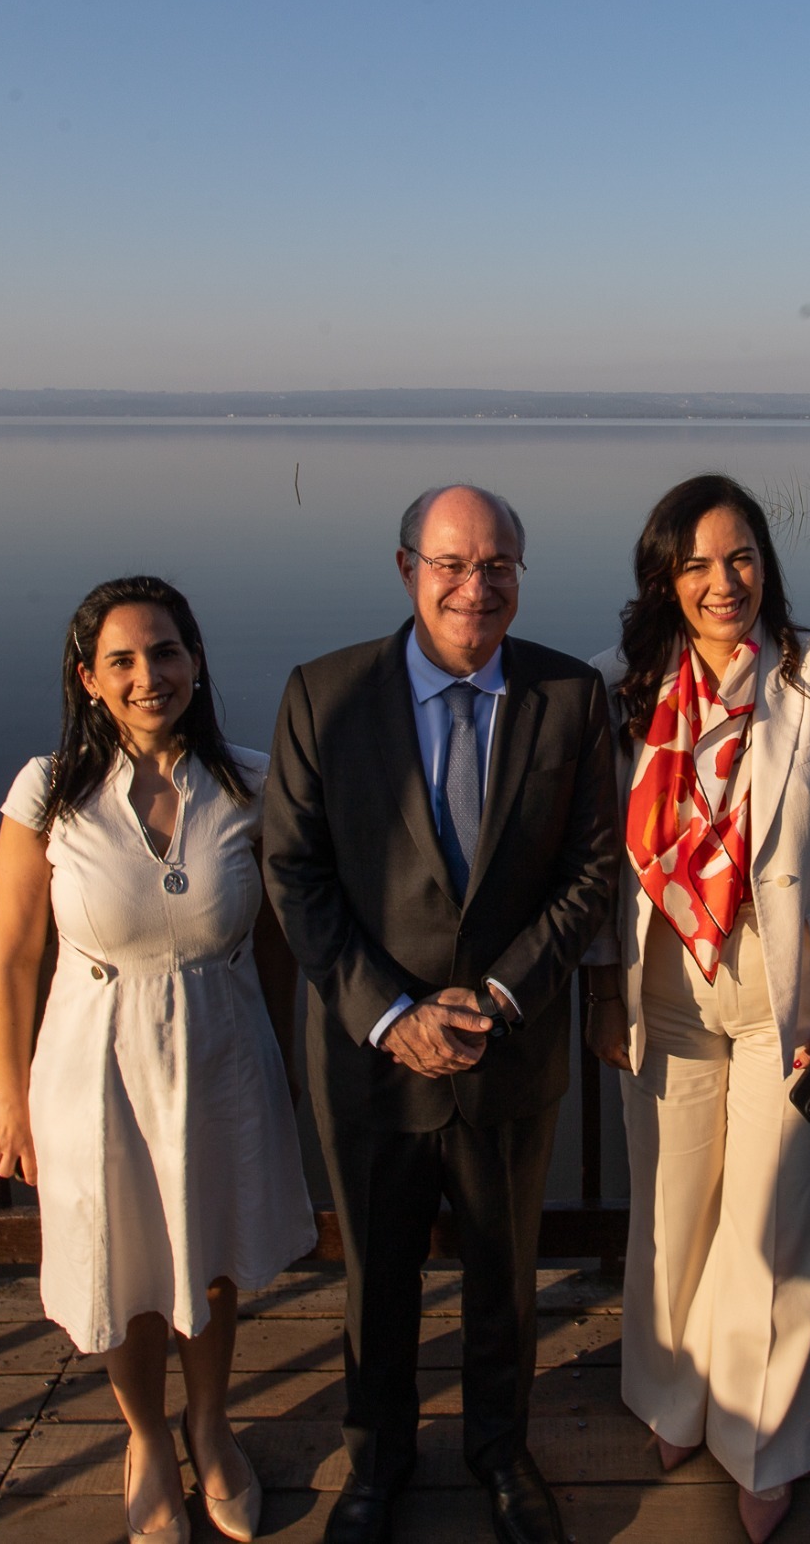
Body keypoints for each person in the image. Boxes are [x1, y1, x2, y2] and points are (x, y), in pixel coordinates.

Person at [263, 485, 620, 1544]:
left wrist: (505, 991)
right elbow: (294, 873)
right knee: (377, 1270)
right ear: (407, 566)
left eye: (499, 562)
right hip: (370, 1054)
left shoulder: (567, 693)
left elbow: (593, 868)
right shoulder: (325, 693)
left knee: (504, 1270)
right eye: (453, 562)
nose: (478, 584)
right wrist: (389, 1014)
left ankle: (499, 1450)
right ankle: (378, 1458)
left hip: (508, 1045)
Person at [581, 475, 810, 1543]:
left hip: (785, 1000)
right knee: (671, 1212)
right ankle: (671, 1395)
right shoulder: (621, 693)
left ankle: (768, 1440)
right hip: (664, 991)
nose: (725, 582)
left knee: (780, 1218)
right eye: (700, 563)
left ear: (768, 560)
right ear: (665, 578)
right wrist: (592, 986)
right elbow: (596, 859)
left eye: (743, 555)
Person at [0, 575, 317, 1544]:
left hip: (220, 1048)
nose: (147, 675)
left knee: (208, 1256)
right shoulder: (48, 792)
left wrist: (283, 1053)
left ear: (196, 660)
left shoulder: (253, 782)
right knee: (122, 1258)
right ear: (87, 678)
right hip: (91, 1060)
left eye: (165, 651)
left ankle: (211, 1426)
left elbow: (285, 936)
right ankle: (143, 1439)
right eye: (121, 659)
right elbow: (8, 959)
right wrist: (11, 1096)